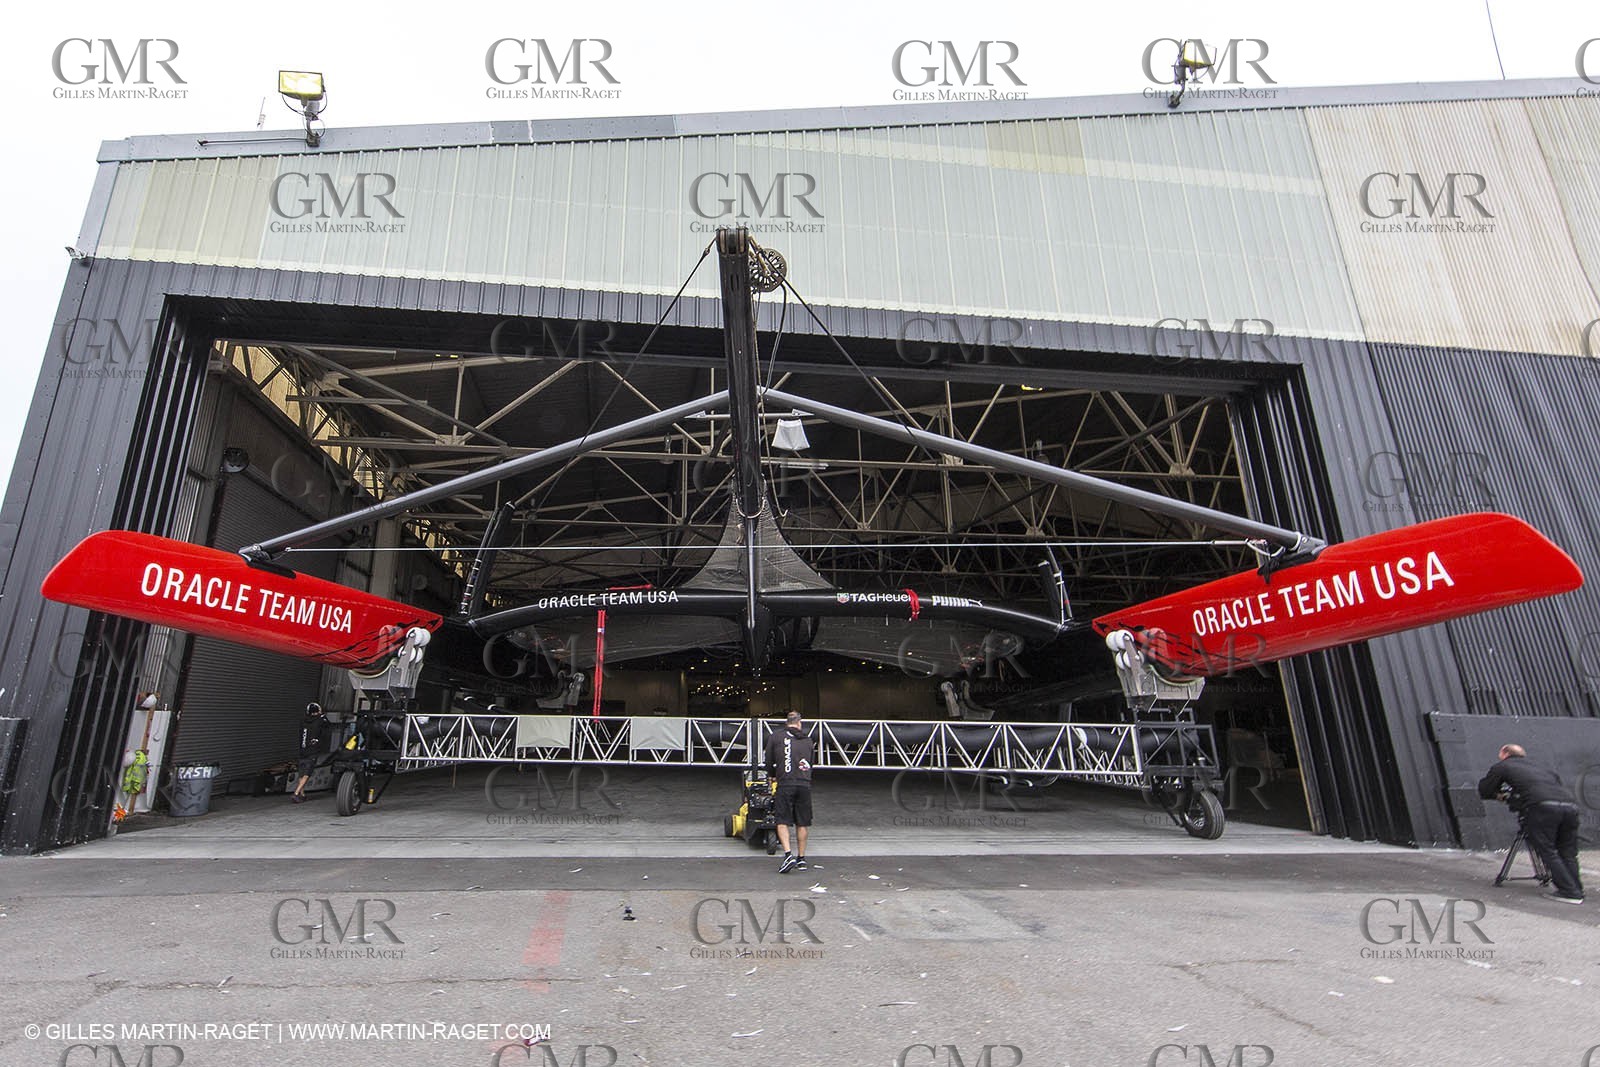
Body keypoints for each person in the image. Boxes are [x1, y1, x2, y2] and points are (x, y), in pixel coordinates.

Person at [1478, 743, 1584, 904]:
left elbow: (1485, 790)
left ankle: (1569, 892)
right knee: (1567, 851)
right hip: (1570, 806)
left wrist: (1502, 796)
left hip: (1541, 807)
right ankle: (1576, 889)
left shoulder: (1503, 766)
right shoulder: (1542, 768)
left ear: (1504, 753)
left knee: (1547, 849)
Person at [764, 710, 815, 874]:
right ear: (799, 723)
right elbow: (811, 763)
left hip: (785, 783)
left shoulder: (776, 737)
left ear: (787, 722)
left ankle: (788, 855)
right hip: (804, 784)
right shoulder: (808, 740)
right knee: (803, 822)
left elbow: (769, 759)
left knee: (782, 820)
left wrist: (772, 776)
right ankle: (801, 858)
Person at [291, 702, 330, 804]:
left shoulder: (303, 720)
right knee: (307, 773)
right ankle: (296, 793)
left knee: (301, 772)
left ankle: (302, 795)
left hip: (302, 749)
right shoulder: (320, 721)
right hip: (312, 751)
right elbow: (327, 726)